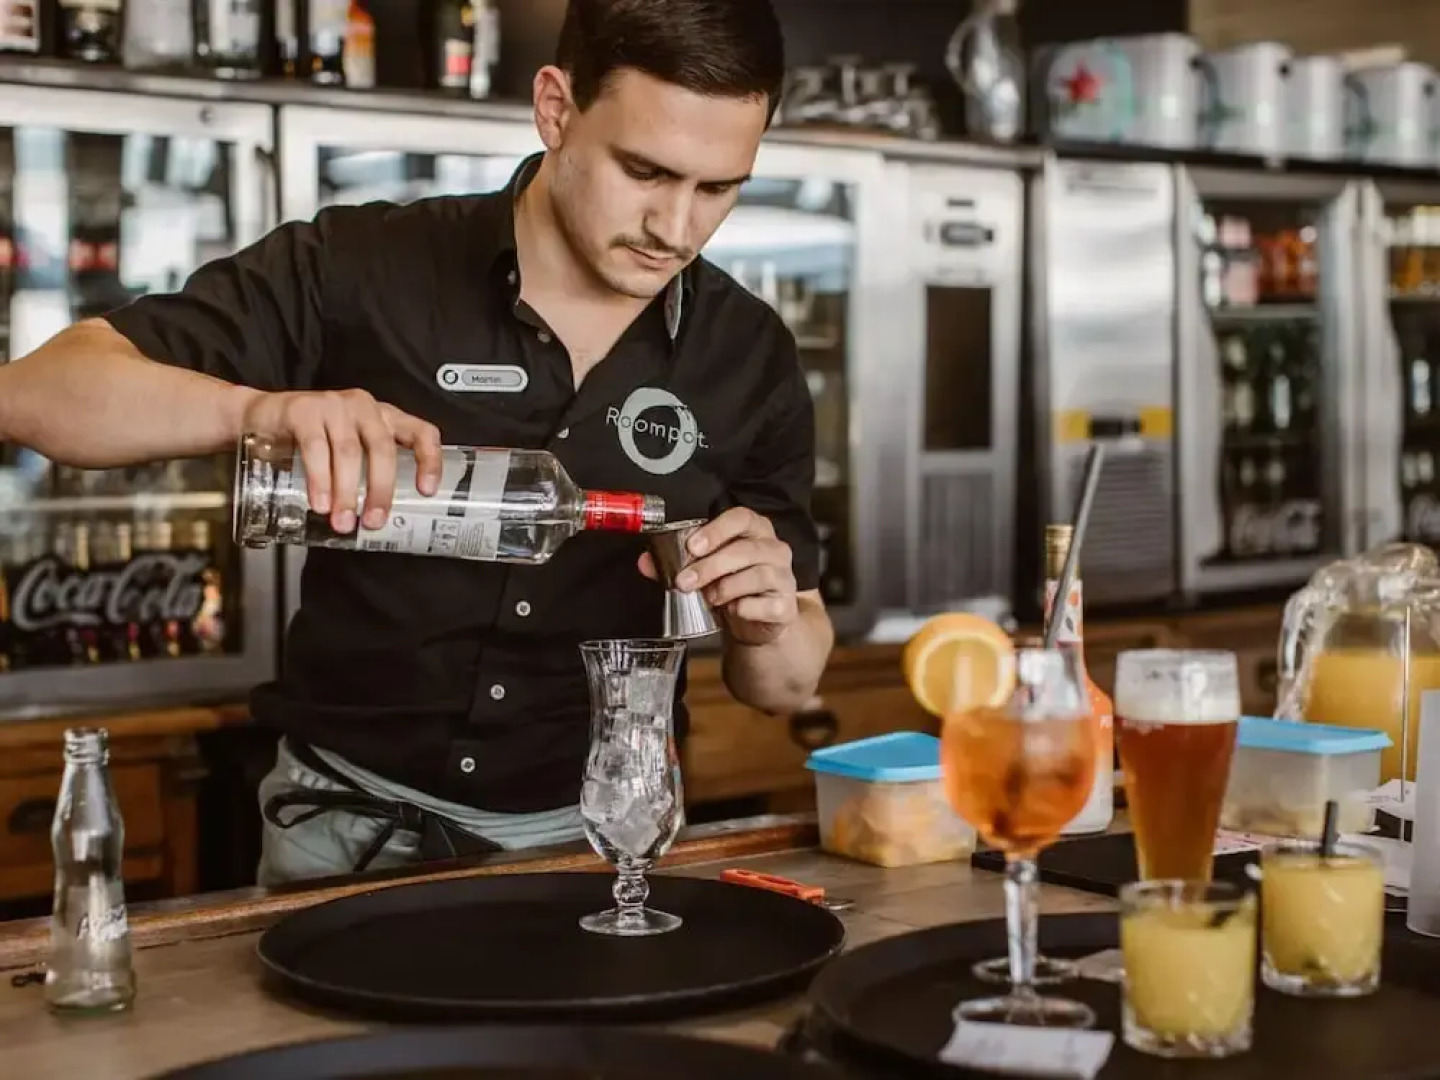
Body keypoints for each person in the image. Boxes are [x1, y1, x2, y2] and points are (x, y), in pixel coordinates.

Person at [0, 0, 834, 885]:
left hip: (594, 837)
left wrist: (765, 617)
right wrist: (254, 412)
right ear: (555, 109)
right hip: (340, 828)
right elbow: (32, 398)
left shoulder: (748, 352)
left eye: (718, 188)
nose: (677, 227)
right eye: (644, 172)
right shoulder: (365, 265)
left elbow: (783, 684)